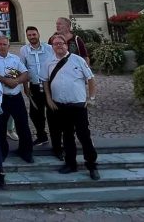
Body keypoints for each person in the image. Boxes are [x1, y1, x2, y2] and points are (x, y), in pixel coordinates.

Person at [44, 34, 99, 180]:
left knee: (84, 136)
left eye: (61, 43)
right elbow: (45, 81)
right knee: (67, 136)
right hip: (60, 106)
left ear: (66, 45)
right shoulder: (48, 62)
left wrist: (91, 98)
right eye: (55, 44)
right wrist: (48, 99)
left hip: (78, 106)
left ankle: (92, 165)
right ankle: (71, 164)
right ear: (52, 47)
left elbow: (91, 79)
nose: (59, 46)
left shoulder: (78, 60)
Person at [0, 35, 34, 163]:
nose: (2, 47)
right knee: (0, 127)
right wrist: (6, 80)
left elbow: (25, 74)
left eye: (4, 44)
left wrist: (16, 81)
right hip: (0, 98)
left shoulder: (15, 58)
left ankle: (26, 152)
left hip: (16, 97)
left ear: (8, 46)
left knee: (23, 125)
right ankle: (2, 152)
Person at [20, 26, 56, 147]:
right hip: (34, 86)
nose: (32, 37)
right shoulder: (24, 50)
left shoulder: (49, 48)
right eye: (29, 35)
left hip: (50, 86)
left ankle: (56, 139)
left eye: (34, 34)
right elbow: (23, 69)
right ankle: (41, 136)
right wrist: (26, 87)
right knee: (35, 114)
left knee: (53, 113)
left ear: (38, 34)